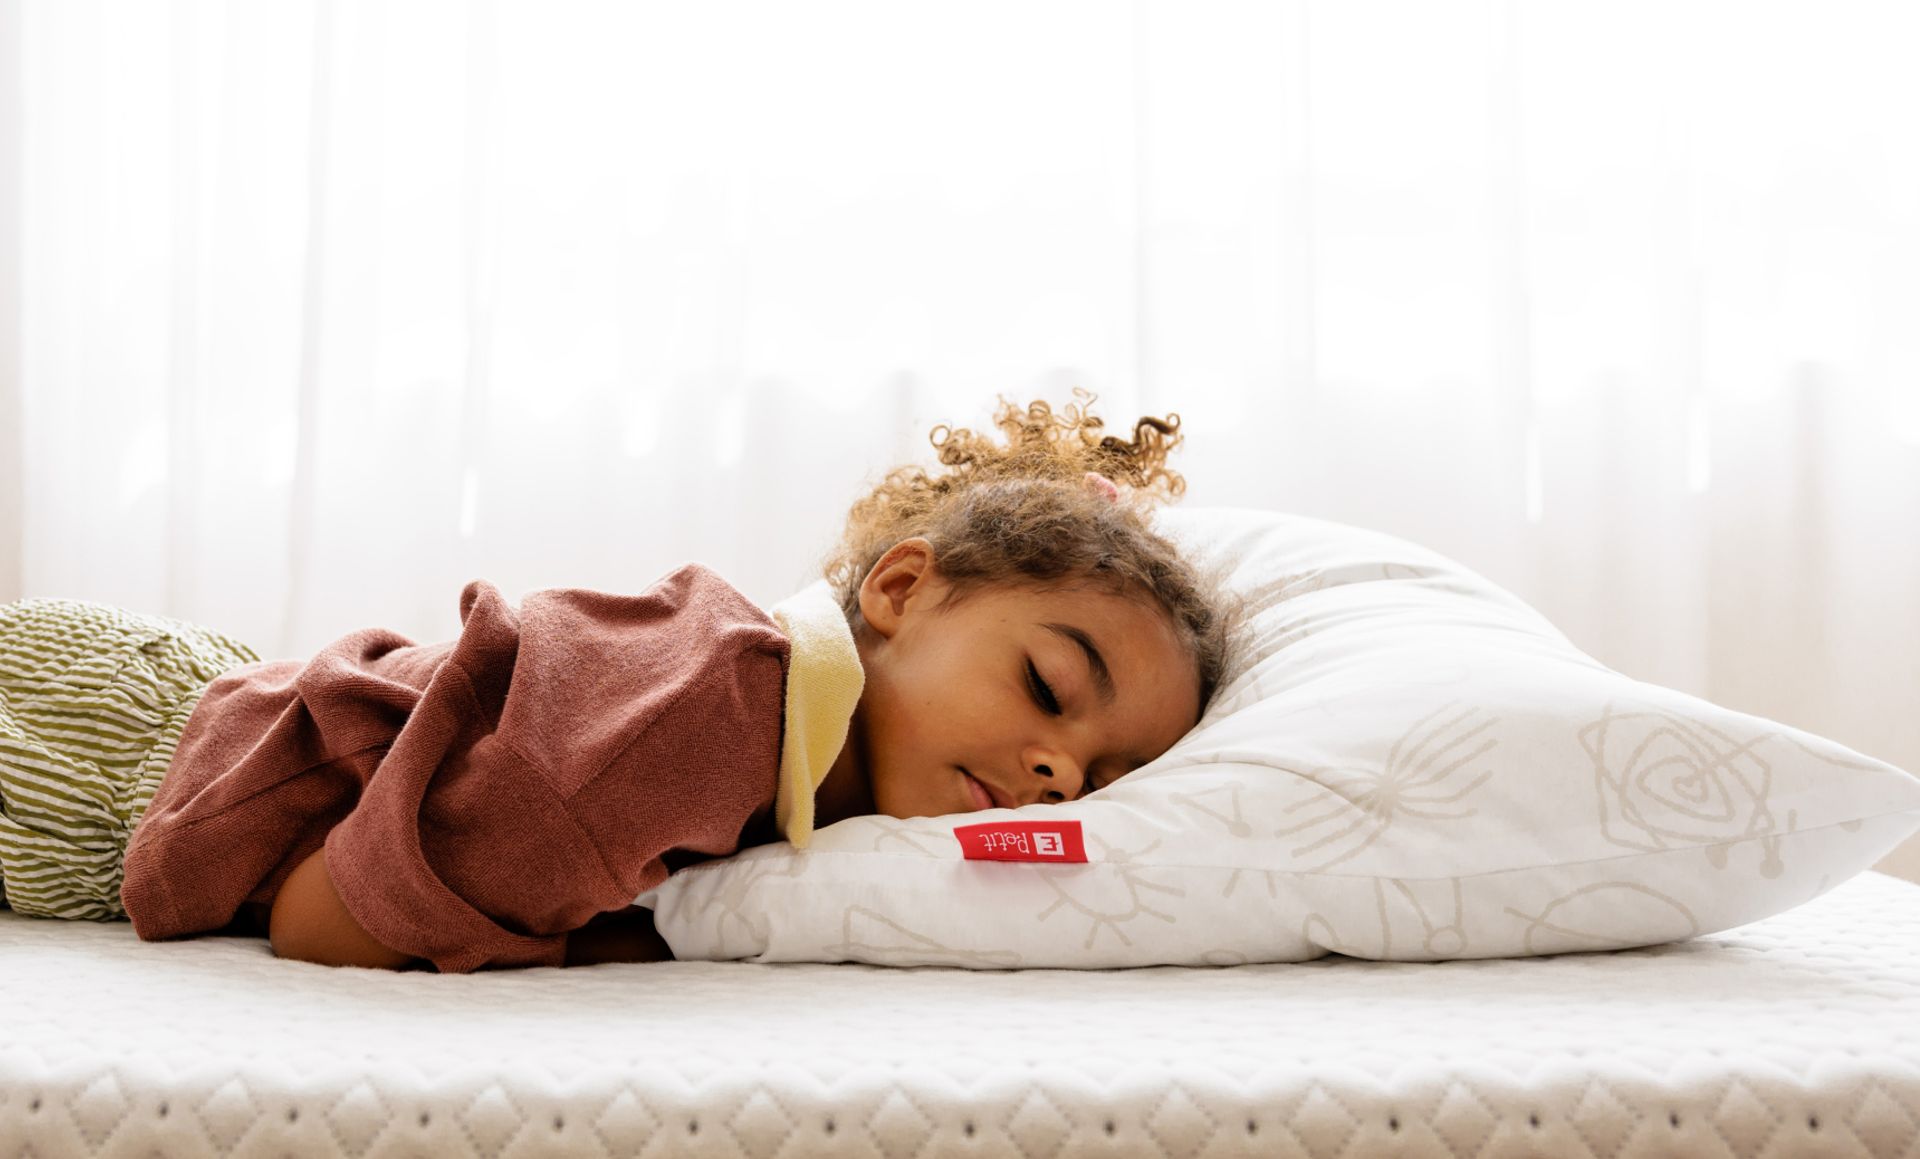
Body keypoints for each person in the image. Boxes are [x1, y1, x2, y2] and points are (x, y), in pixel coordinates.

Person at [0, 390, 1236, 973]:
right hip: (113, 757)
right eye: (1046, 685)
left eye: (1105, 774)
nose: (1057, 773)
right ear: (901, 592)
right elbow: (326, 921)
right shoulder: (710, 719)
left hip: (221, 699)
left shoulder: (814, 771)